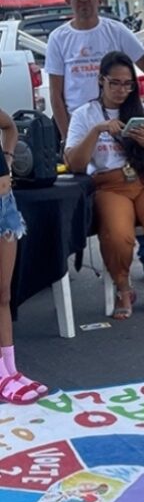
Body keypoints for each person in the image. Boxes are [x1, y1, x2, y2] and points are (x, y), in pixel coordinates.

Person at [64, 52, 144, 319]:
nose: (122, 90)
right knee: (117, 235)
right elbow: (75, 165)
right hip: (110, 185)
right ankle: (123, 287)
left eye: (128, 84)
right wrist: (97, 130)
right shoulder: (85, 114)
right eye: (115, 83)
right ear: (100, 80)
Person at [47, 0, 144, 143]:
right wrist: (66, 136)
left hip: (120, 124)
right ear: (68, 1)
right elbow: (55, 94)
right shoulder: (57, 38)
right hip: (81, 125)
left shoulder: (117, 31)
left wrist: (143, 115)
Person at [0, 109, 47, 404]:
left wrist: (7, 157)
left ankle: (10, 369)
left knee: (3, 294)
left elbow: (9, 126)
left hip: (5, 205)